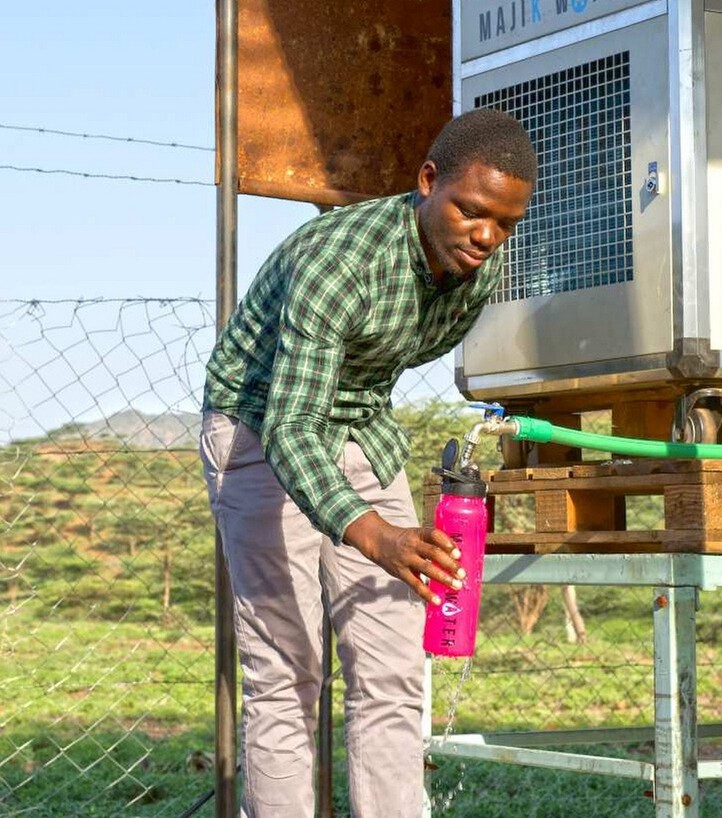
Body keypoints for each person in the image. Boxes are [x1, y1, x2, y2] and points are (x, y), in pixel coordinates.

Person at [199, 108, 536, 817]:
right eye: (472, 212)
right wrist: (373, 533)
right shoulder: (339, 261)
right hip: (261, 425)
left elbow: (364, 381)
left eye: (504, 223)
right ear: (427, 181)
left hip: (359, 423)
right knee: (287, 671)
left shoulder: (480, 263)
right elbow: (294, 424)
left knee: (392, 668)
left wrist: (386, 535)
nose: (485, 237)